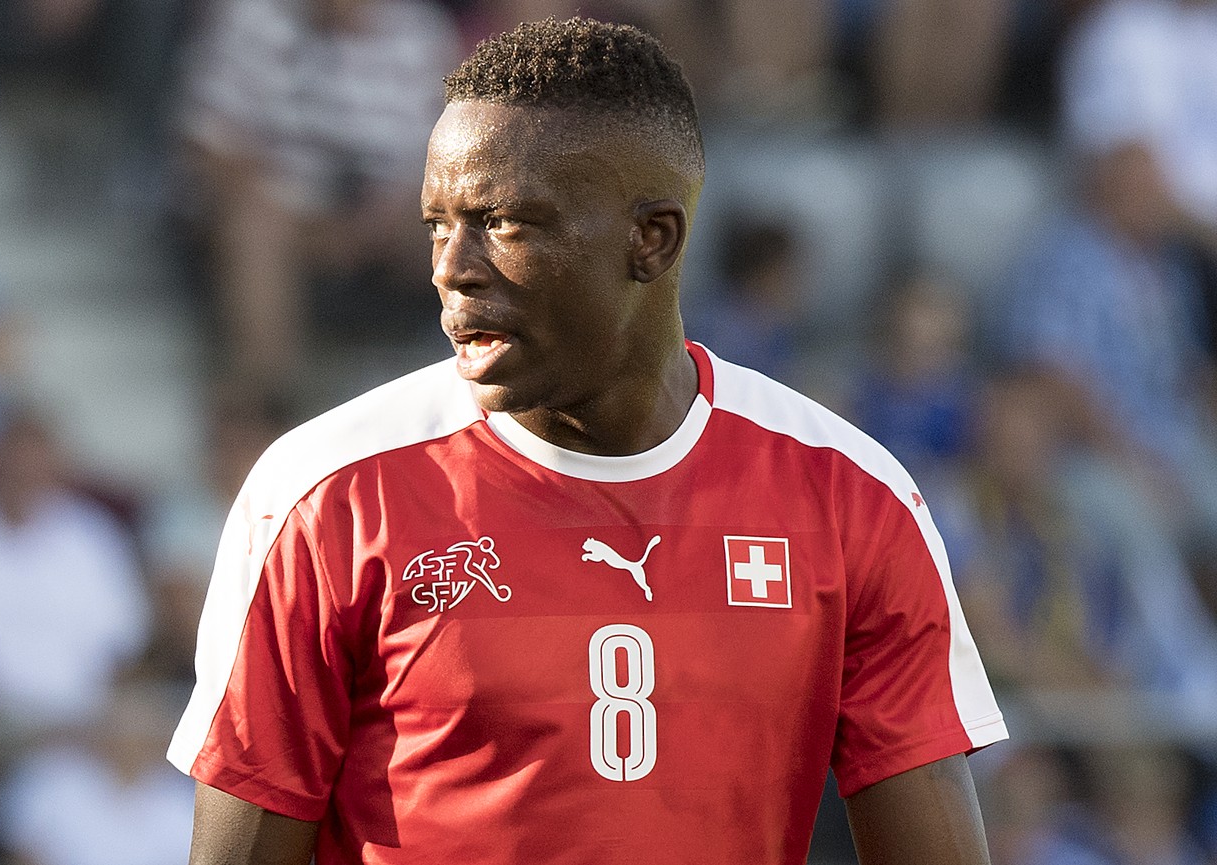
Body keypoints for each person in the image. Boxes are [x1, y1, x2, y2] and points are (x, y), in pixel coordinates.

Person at [168, 17, 1006, 864]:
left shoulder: (852, 497)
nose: (450, 267)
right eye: (436, 224)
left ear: (653, 239)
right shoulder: (322, 497)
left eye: (503, 223)